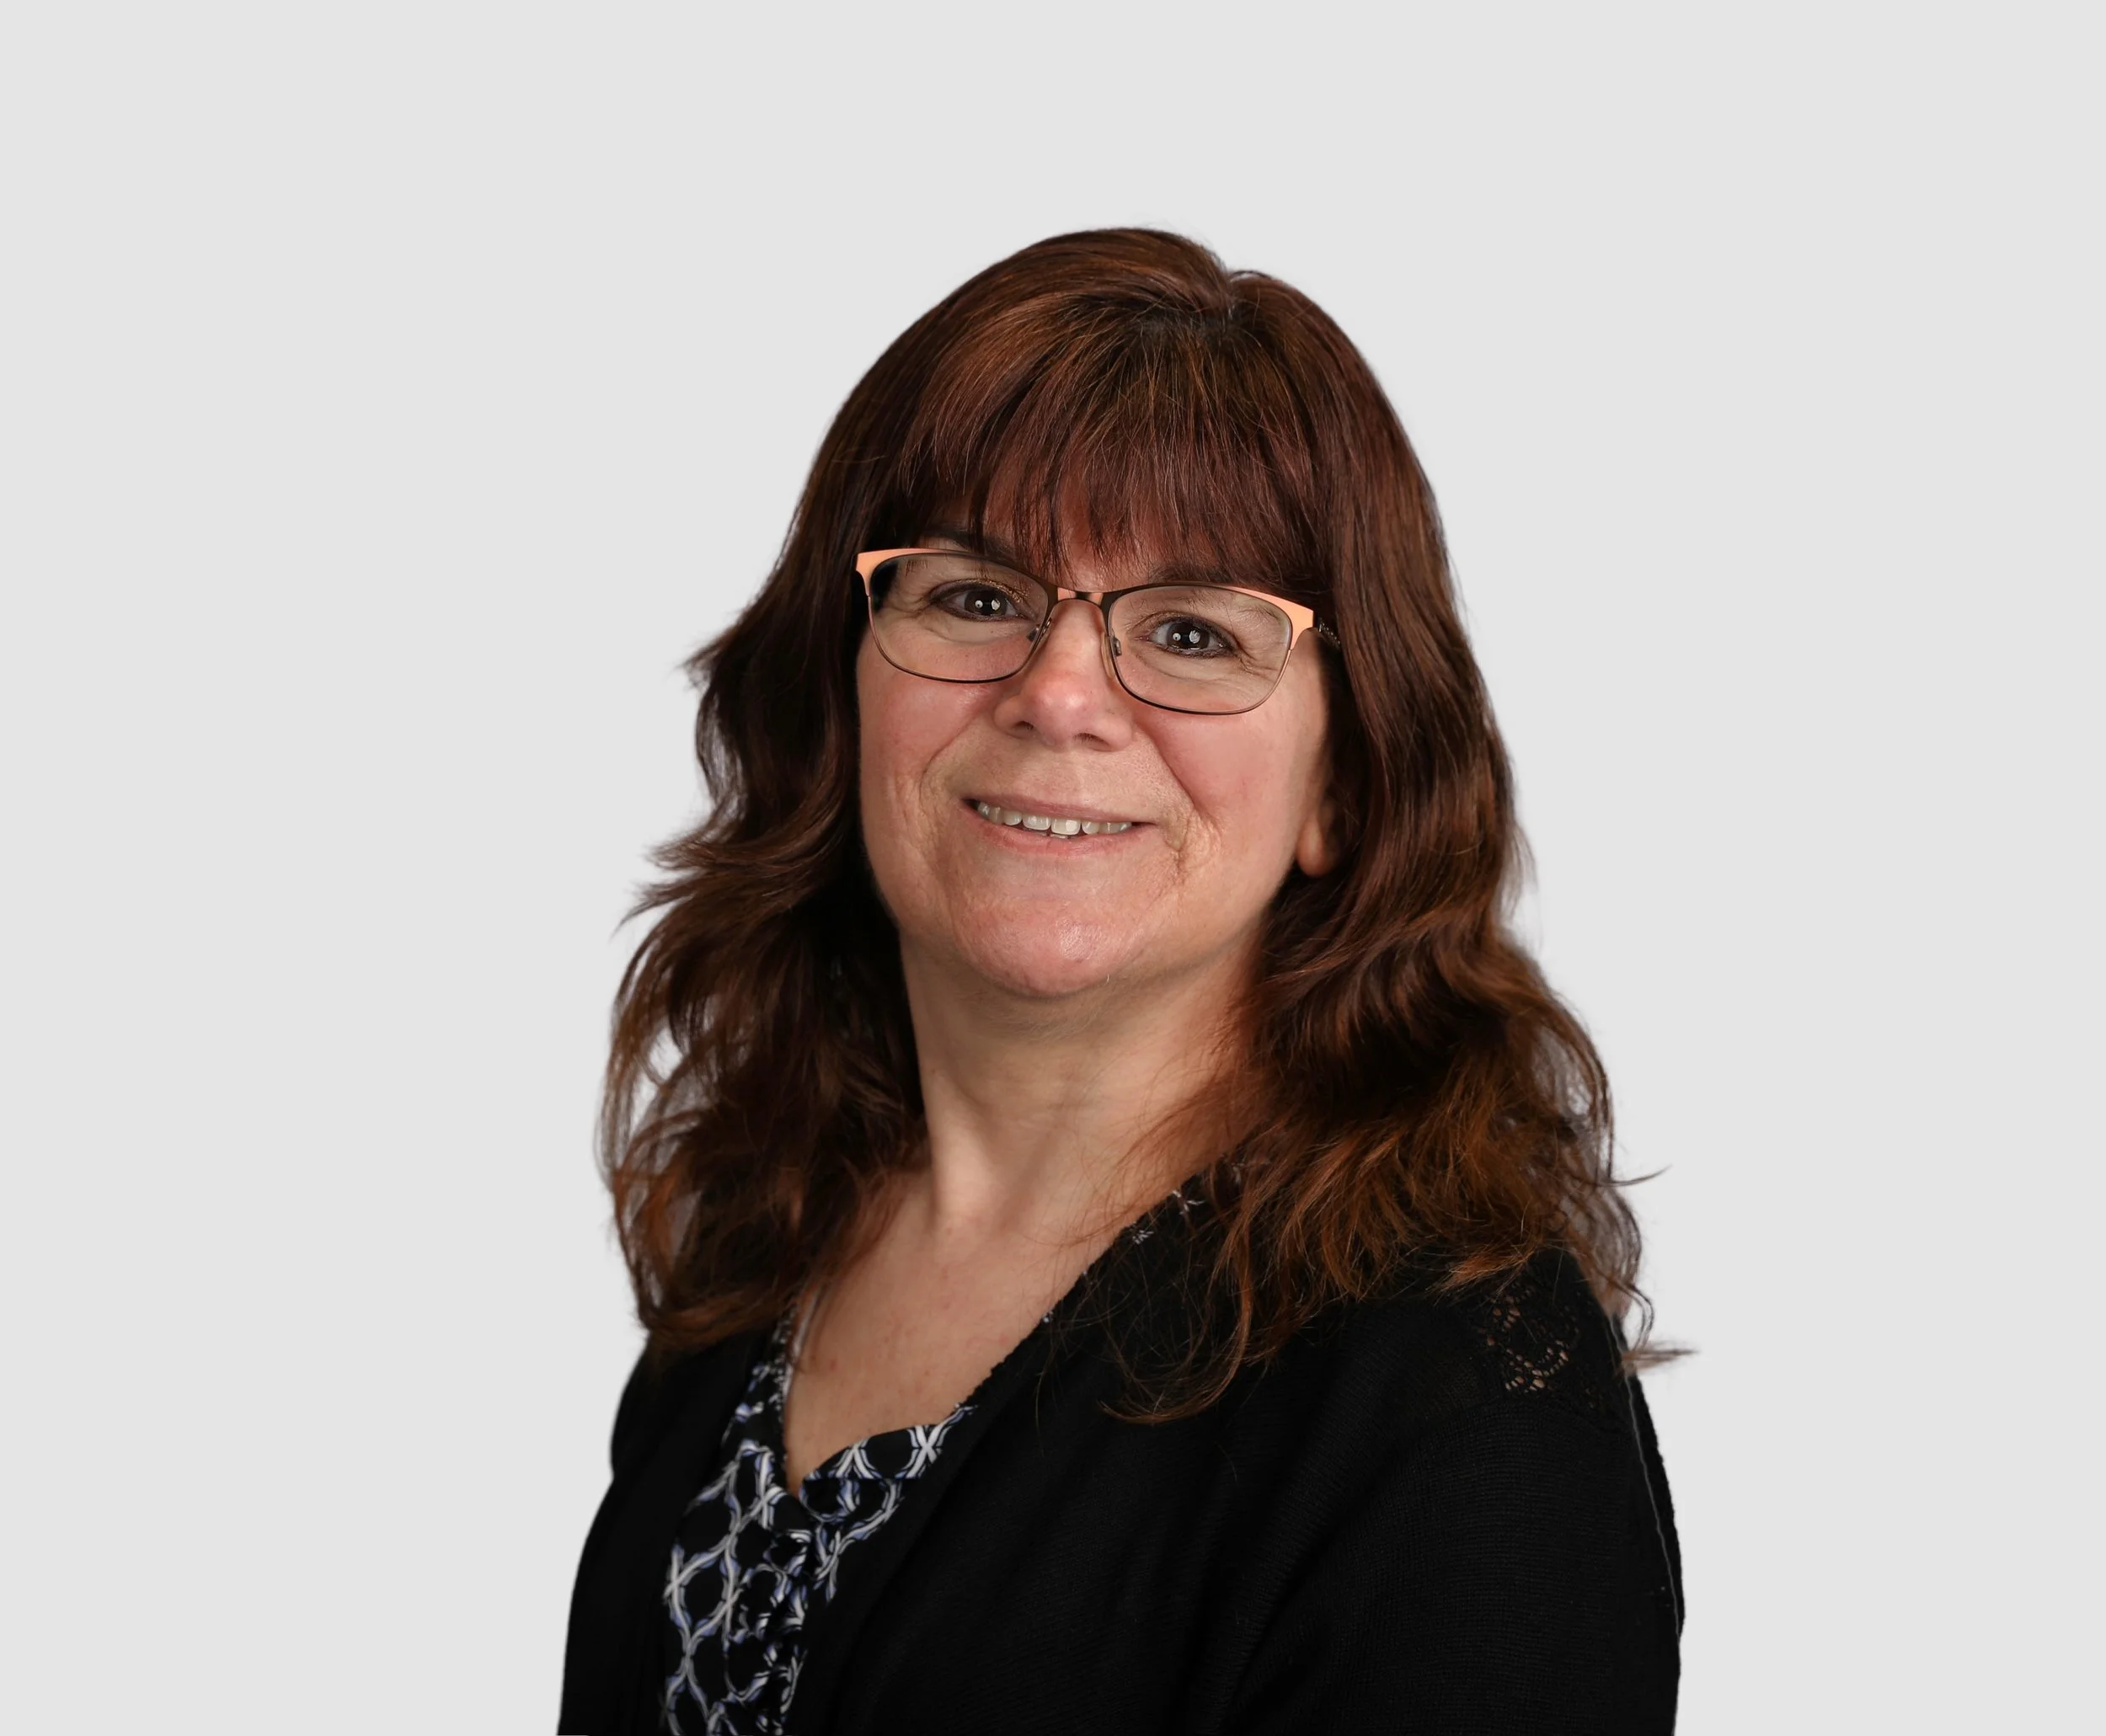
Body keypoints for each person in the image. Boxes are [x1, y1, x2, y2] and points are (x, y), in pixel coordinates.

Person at [559, 228, 1681, 1735]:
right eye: (972, 596)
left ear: (1346, 786)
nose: (1061, 694)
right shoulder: (769, 1237)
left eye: (1194, 631)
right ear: (841, 684)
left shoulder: (1464, 1399)